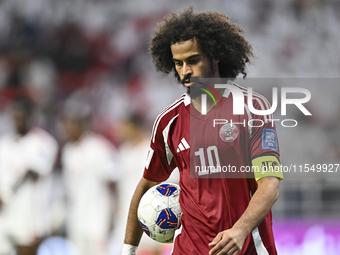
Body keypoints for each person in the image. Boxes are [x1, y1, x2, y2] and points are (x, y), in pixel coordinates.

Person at [122, 7, 283, 255]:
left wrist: (239, 230)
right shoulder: (169, 121)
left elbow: (269, 185)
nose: (185, 70)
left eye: (193, 60)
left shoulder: (253, 109)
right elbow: (146, 184)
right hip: (189, 249)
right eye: (178, 63)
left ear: (215, 56)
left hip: (246, 248)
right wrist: (128, 250)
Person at [0, 96, 58, 255]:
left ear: (31, 115)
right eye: (15, 113)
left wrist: (5, 194)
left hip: (28, 214)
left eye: (22, 113)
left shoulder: (43, 142)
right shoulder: (5, 142)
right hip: (5, 214)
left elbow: (31, 173)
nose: (18, 117)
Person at [61, 99, 119, 255]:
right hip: (77, 220)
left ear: (81, 124)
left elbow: (113, 181)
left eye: (70, 124)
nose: (66, 128)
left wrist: (114, 214)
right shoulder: (68, 151)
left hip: (97, 220)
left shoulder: (98, 147)